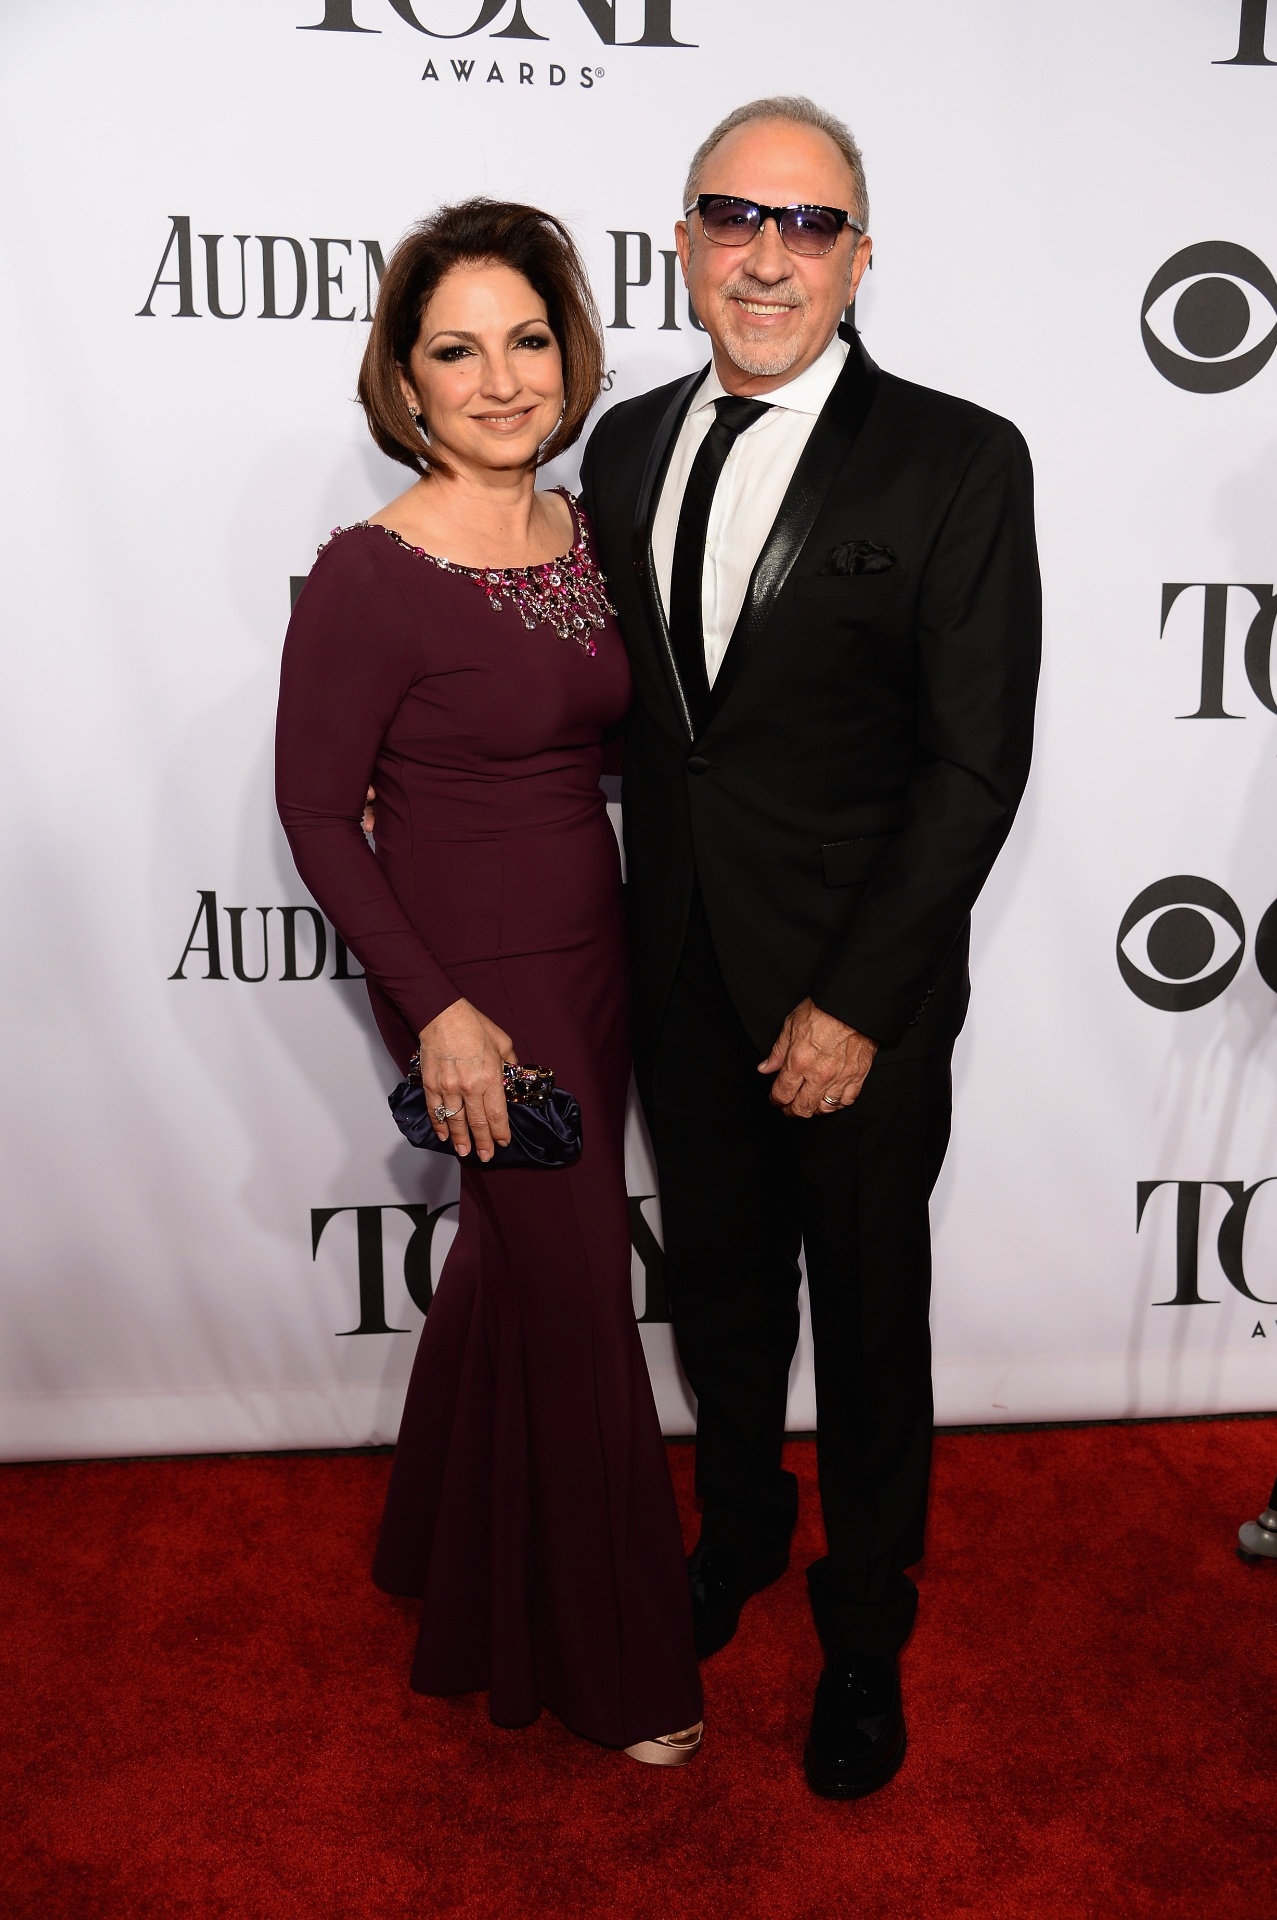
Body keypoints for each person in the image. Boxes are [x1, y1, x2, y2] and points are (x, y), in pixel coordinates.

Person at [580, 98, 1040, 1798]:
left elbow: (971, 763)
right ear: (683, 243)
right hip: (677, 965)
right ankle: (739, 1531)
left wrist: (854, 1001)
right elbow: (640, 724)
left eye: (807, 224)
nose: (766, 256)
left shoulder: (954, 456)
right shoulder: (621, 446)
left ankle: (862, 1626)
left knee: (862, 1317)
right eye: (733, 216)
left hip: (862, 989)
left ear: (857, 258)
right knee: (717, 1300)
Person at [275, 199, 702, 1766]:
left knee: (519, 1268)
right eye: (456, 351)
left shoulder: (585, 533)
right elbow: (316, 815)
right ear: (404, 379)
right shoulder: (369, 573)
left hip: (593, 952)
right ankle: (624, 1671)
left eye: (526, 340)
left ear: (567, 355)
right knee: (582, 1295)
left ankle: (433, 1553)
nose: (501, 379)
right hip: (472, 986)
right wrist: (438, 1013)